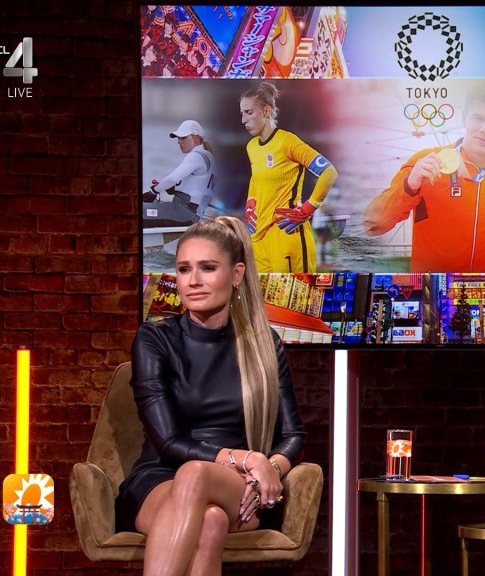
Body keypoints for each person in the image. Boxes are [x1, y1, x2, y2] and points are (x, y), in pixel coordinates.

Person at [116, 216, 306, 575]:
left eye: (207, 268)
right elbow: (168, 441)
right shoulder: (154, 339)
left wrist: (270, 467)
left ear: (236, 274)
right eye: (184, 269)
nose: (193, 281)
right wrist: (249, 458)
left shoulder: (264, 345)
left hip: (238, 487)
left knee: (197, 477)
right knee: (210, 519)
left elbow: (292, 435)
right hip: (159, 477)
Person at [363, 82, 485, 272]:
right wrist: (409, 186)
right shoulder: (425, 163)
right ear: (464, 118)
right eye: (478, 118)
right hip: (435, 285)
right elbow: (373, 225)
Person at [240, 81, 338, 273]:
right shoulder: (251, 146)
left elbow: (329, 172)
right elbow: (256, 176)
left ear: (266, 111)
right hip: (259, 238)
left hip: (287, 232)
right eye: (242, 113)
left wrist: (308, 208)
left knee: (296, 290)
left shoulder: (287, 141)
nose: (243, 120)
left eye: (249, 112)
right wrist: (250, 202)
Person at [143, 119, 216, 227]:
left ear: (196, 138)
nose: (179, 141)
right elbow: (198, 189)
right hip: (191, 212)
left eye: (183, 138)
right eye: (178, 138)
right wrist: (174, 189)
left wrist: (153, 192)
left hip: (184, 213)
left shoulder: (196, 155)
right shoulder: (208, 156)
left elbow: (172, 179)